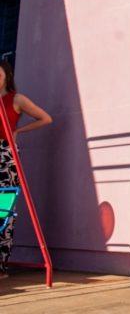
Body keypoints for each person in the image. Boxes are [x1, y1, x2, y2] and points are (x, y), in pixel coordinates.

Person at [0, 59, 53, 279]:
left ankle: (1, 266)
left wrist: (19, 132)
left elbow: (45, 118)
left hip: (6, 157)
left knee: (4, 212)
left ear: (6, 75)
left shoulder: (16, 99)